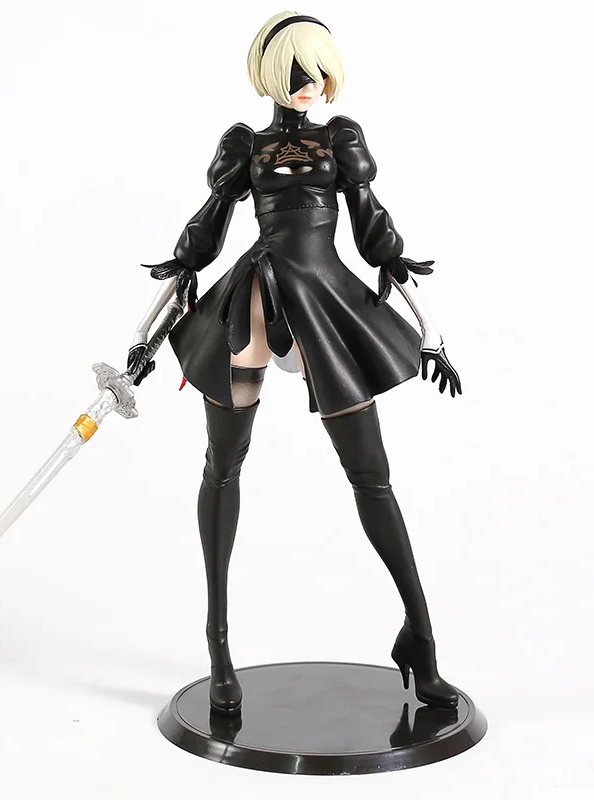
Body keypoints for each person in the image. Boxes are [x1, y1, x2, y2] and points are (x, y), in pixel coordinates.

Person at [129, 11, 462, 717]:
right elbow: (203, 236)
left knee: (371, 475)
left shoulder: (341, 139)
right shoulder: (243, 145)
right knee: (223, 465)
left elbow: (376, 235)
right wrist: (146, 331)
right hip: (253, 300)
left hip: (324, 300)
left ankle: (421, 638)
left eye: (319, 71)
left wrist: (429, 329)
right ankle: (218, 648)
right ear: (271, 74)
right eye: (296, 72)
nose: (310, 84)